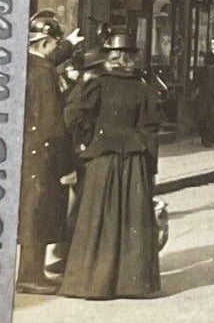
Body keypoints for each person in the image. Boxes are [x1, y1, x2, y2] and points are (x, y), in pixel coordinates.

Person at [59, 33, 163, 301]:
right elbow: (150, 131)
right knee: (132, 218)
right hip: (134, 159)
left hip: (102, 158)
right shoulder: (143, 88)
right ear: (131, 58)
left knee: (97, 217)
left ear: (109, 57)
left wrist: (85, 142)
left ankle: (93, 282)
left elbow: (72, 115)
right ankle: (132, 283)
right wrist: (150, 167)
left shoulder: (96, 85)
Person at [18, 16, 77, 294]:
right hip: (45, 154)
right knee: (38, 215)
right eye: (54, 44)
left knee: (32, 212)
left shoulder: (29, 67)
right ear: (44, 43)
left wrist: (67, 46)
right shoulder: (44, 75)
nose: (56, 50)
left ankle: (33, 273)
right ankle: (30, 276)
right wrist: (66, 165)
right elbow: (53, 124)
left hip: (29, 151)